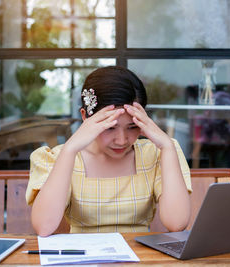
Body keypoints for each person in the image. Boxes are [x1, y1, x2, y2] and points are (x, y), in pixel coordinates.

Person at [26, 66, 192, 236]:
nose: (121, 140)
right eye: (110, 128)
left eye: (132, 126)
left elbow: (176, 223)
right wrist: (70, 149)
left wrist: (167, 146)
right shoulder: (59, 157)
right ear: (85, 117)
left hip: (140, 259)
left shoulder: (157, 154)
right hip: (84, 259)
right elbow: (44, 227)